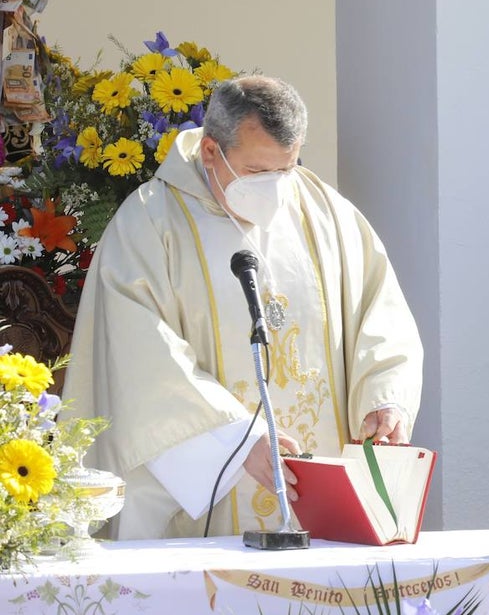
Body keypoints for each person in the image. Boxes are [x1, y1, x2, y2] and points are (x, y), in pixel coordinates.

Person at [64, 75, 423, 540]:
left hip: (320, 507)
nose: (276, 187)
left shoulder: (326, 212)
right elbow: (138, 355)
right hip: (202, 508)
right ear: (211, 152)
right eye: (257, 172)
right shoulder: (149, 223)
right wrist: (234, 441)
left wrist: (384, 397)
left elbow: (381, 312)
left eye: (287, 169)